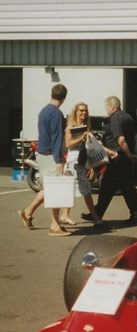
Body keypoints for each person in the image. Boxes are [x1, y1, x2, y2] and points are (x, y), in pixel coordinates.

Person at [17, 84, 71, 236]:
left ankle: (28, 212)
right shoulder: (56, 114)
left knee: (49, 189)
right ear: (64, 97)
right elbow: (57, 138)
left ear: (52, 94)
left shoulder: (44, 111)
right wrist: (59, 160)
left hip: (42, 153)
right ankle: (54, 225)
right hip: (50, 155)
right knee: (56, 189)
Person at [81, 96, 137, 225]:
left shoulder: (115, 119)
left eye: (107, 107)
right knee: (126, 186)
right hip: (124, 157)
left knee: (108, 185)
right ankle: (135, 214)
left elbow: (121, 139)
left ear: (113, 107)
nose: (106, 110)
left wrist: (129, 154)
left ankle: (97, 213)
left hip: (117, 157)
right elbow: (133, 137)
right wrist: (131, 154)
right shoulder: (128, 117)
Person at [59, 102, 116, 227]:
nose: (83, 113)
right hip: (73, 161)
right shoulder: (70, 127)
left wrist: (109, 151)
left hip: (81, 161)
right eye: (81, 110)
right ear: (76, 112)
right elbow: (68, 144)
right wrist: (81, 138)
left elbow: (94, 143)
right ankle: (95, 218)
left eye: (85, 111)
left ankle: (65, 215)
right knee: (84, 190)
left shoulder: (86, 127)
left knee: (73, 189)